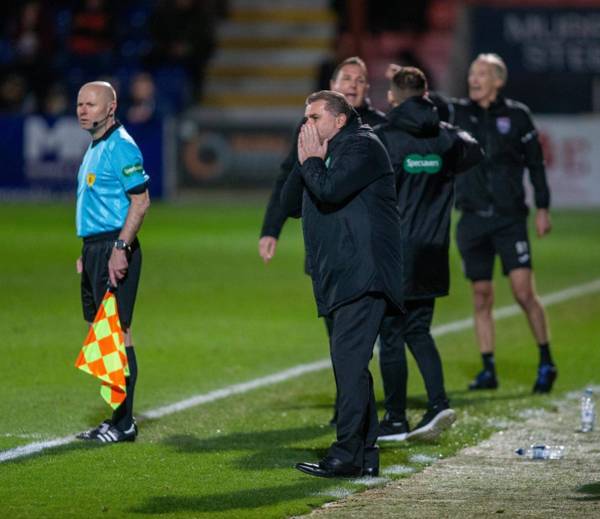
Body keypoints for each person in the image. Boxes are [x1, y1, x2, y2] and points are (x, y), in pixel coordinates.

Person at [281, 90, 404, 478]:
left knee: (349, 366)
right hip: (340, 275)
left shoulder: (364, 147)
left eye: (315, 118)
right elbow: (288, 205)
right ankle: (365, 453)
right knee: (352, 367)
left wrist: (313, 161)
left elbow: (330, 190)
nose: (308, 125)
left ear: (340, 119)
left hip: (363, 274)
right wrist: (304, 160)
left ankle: (347, 452)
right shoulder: (325, 151)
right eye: (305, 118)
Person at [259, 57, 386, 425]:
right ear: (332, 84)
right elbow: (289, 180)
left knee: (368, 343)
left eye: (361, 79)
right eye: (346, 77)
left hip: (364, 255)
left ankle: (378, 420)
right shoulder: (311, 130)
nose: (354, 83)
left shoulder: (376, 133)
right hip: (326, 251)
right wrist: (271, 228)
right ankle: (352, 414)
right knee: (341, 341)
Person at [374, 67, 484, 441]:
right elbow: (475, 150)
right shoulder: (448, 138)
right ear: (425, 95)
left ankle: (394, 418)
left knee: (390, 334)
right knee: (418, 330)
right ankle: (438, 403)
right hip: (434, 250)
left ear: (392, 96)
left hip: (395, 252)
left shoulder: (384, 138)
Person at [450, 54, 555, 392]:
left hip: (510, 219)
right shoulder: (458, 113)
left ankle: (546, 360)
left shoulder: (518, 115)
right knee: (481, 296)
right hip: (471, 220)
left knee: (524, 292)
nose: (474, 79)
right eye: (471, 72)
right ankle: (488, 369)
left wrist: (542, 208)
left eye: (481, 74)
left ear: (498, 80)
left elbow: (536, 164)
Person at [74, 81, 150, 443]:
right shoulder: (96, 145)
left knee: (118, 333)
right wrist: (86, 252)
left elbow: (141, 201)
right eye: (79, 104)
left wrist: (120, 247)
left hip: (113, 248)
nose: (83, 110)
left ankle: (125, 424)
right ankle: (116, 417)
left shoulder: (121, 146)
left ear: (111, 107)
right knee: (102, 333)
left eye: (91, 104)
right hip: (95, 248)